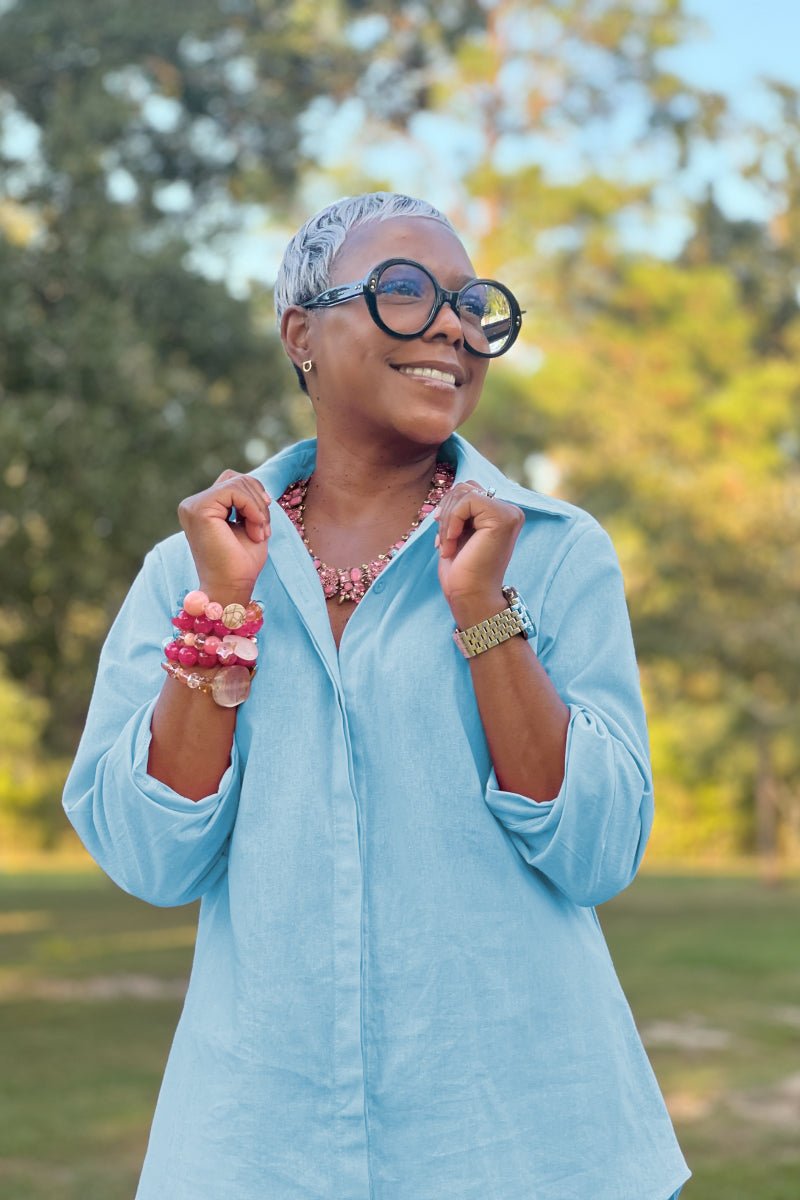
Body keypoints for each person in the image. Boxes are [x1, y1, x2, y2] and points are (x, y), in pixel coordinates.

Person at [63, 192, 690, 1200]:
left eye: (470, 305)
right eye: (405, 291)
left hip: (522, 1148)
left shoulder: (558, 551)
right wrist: (222, 607)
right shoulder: (184, 573)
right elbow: (150, 857)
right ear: (301, 335)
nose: (452, 325)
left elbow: (595, 851)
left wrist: (483, 611)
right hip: (255, 1153)